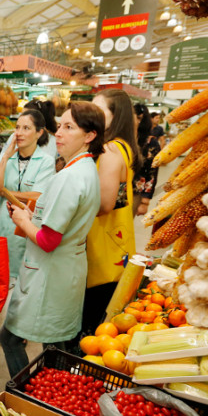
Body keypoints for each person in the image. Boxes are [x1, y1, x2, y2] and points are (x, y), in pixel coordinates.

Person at [0, 102, 104, 377]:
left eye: (69, 127)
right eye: (59, 126)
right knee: (56, 349)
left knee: (11, 339)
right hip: (64, 272)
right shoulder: (86, 169)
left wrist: (23, 221)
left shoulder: (68, 177)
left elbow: (48, 240)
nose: (59, 133)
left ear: (89, 135)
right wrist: (31, 216)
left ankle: (25, 390)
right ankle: (44, 390)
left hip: (49, 275)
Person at [0, 110, 57, 342]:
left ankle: (19, 327)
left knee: (23, 279)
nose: (19, 133)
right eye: (17, 128)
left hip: (25, 228)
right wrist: (5, 157)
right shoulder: (9, 158)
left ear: (39, 133)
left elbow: (39, 195)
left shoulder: (46, 161)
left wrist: (7, 192)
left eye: (26, 128)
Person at [82, 89, 141, 335]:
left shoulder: (110, 150)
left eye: (99, 110)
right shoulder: (123, 147)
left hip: (103, 249)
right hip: (116, 245)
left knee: (91, 327)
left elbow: (105, 204)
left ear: (115, 116)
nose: (92, 114)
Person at [134, 104, 158, 217]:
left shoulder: (151, 143)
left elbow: (152, 172)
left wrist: (145, 201)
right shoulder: (122, 138)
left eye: (139, 118)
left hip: (135, 192)